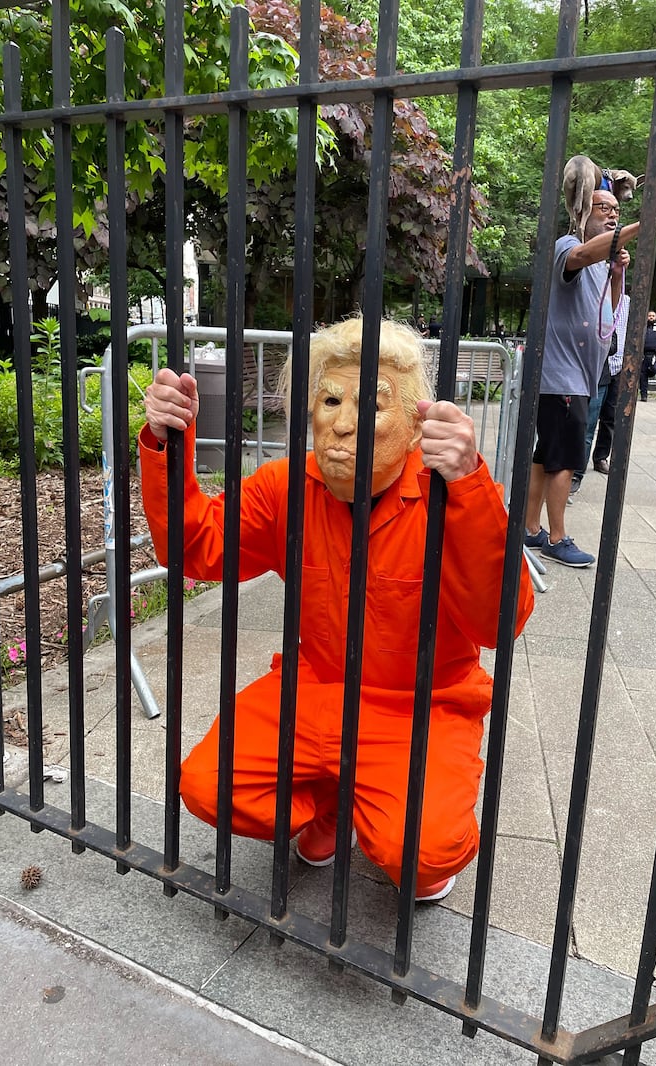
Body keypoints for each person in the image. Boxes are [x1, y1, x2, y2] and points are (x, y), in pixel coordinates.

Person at [140, 316, 534, 902]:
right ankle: (331, 802)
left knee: (422, 854)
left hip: (421, 706)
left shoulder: (448, 493)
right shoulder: (285, 486)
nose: (344, 425)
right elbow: (197, 548)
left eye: (369, 406)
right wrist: (166, 441)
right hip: (313, 689)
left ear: (412, 426)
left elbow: (498, 623)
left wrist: (471, 484)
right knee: (206, 786)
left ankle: (367, 810)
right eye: (329, 400)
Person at [524, 188, 656, 566]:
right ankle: (557, 538)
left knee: (545, 455)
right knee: (565, 460)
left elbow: (606, 318)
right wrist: (642, 227)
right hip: (563, 377)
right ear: (582, 211)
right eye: (604, 208)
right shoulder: (567, 245)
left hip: (576, 376)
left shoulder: (600, 264)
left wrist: (615, 275)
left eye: (616, 209)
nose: (612, 214)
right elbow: (581, 254)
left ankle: (529, 529)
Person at [569, 293, 630, 497]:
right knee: (580, 423)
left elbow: (617, 341)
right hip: (587, 371)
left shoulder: (624, 303)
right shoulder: (590, 298)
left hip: (612, 370)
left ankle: (591, 464)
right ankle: (571, 470)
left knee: (604, 420)